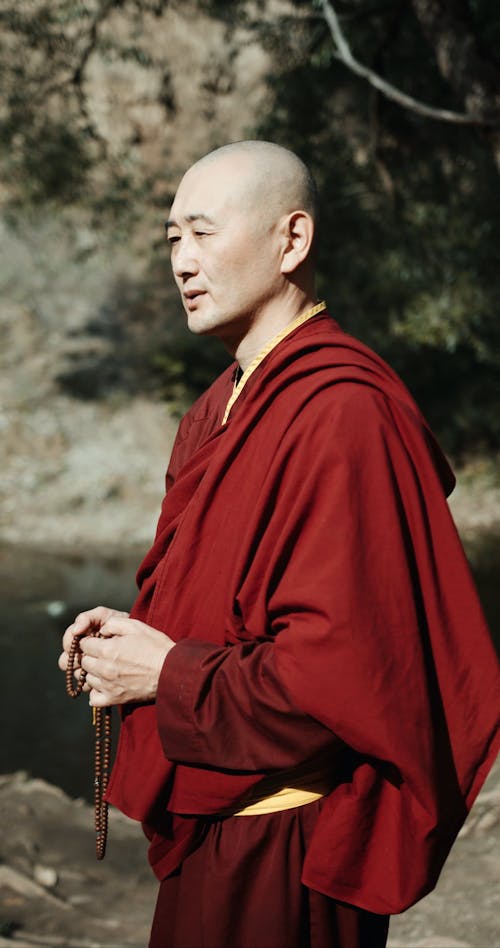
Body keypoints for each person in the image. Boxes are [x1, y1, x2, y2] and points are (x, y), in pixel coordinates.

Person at [59, 141, 499, 948]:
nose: (182, 263)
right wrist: (126, 653)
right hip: (212, 834)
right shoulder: (217, 407)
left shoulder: (342, 413)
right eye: (170, 240)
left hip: (284, 851)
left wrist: (166, 673)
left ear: (290, 240)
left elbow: (347, 676)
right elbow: (215, 606)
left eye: (202, 233)